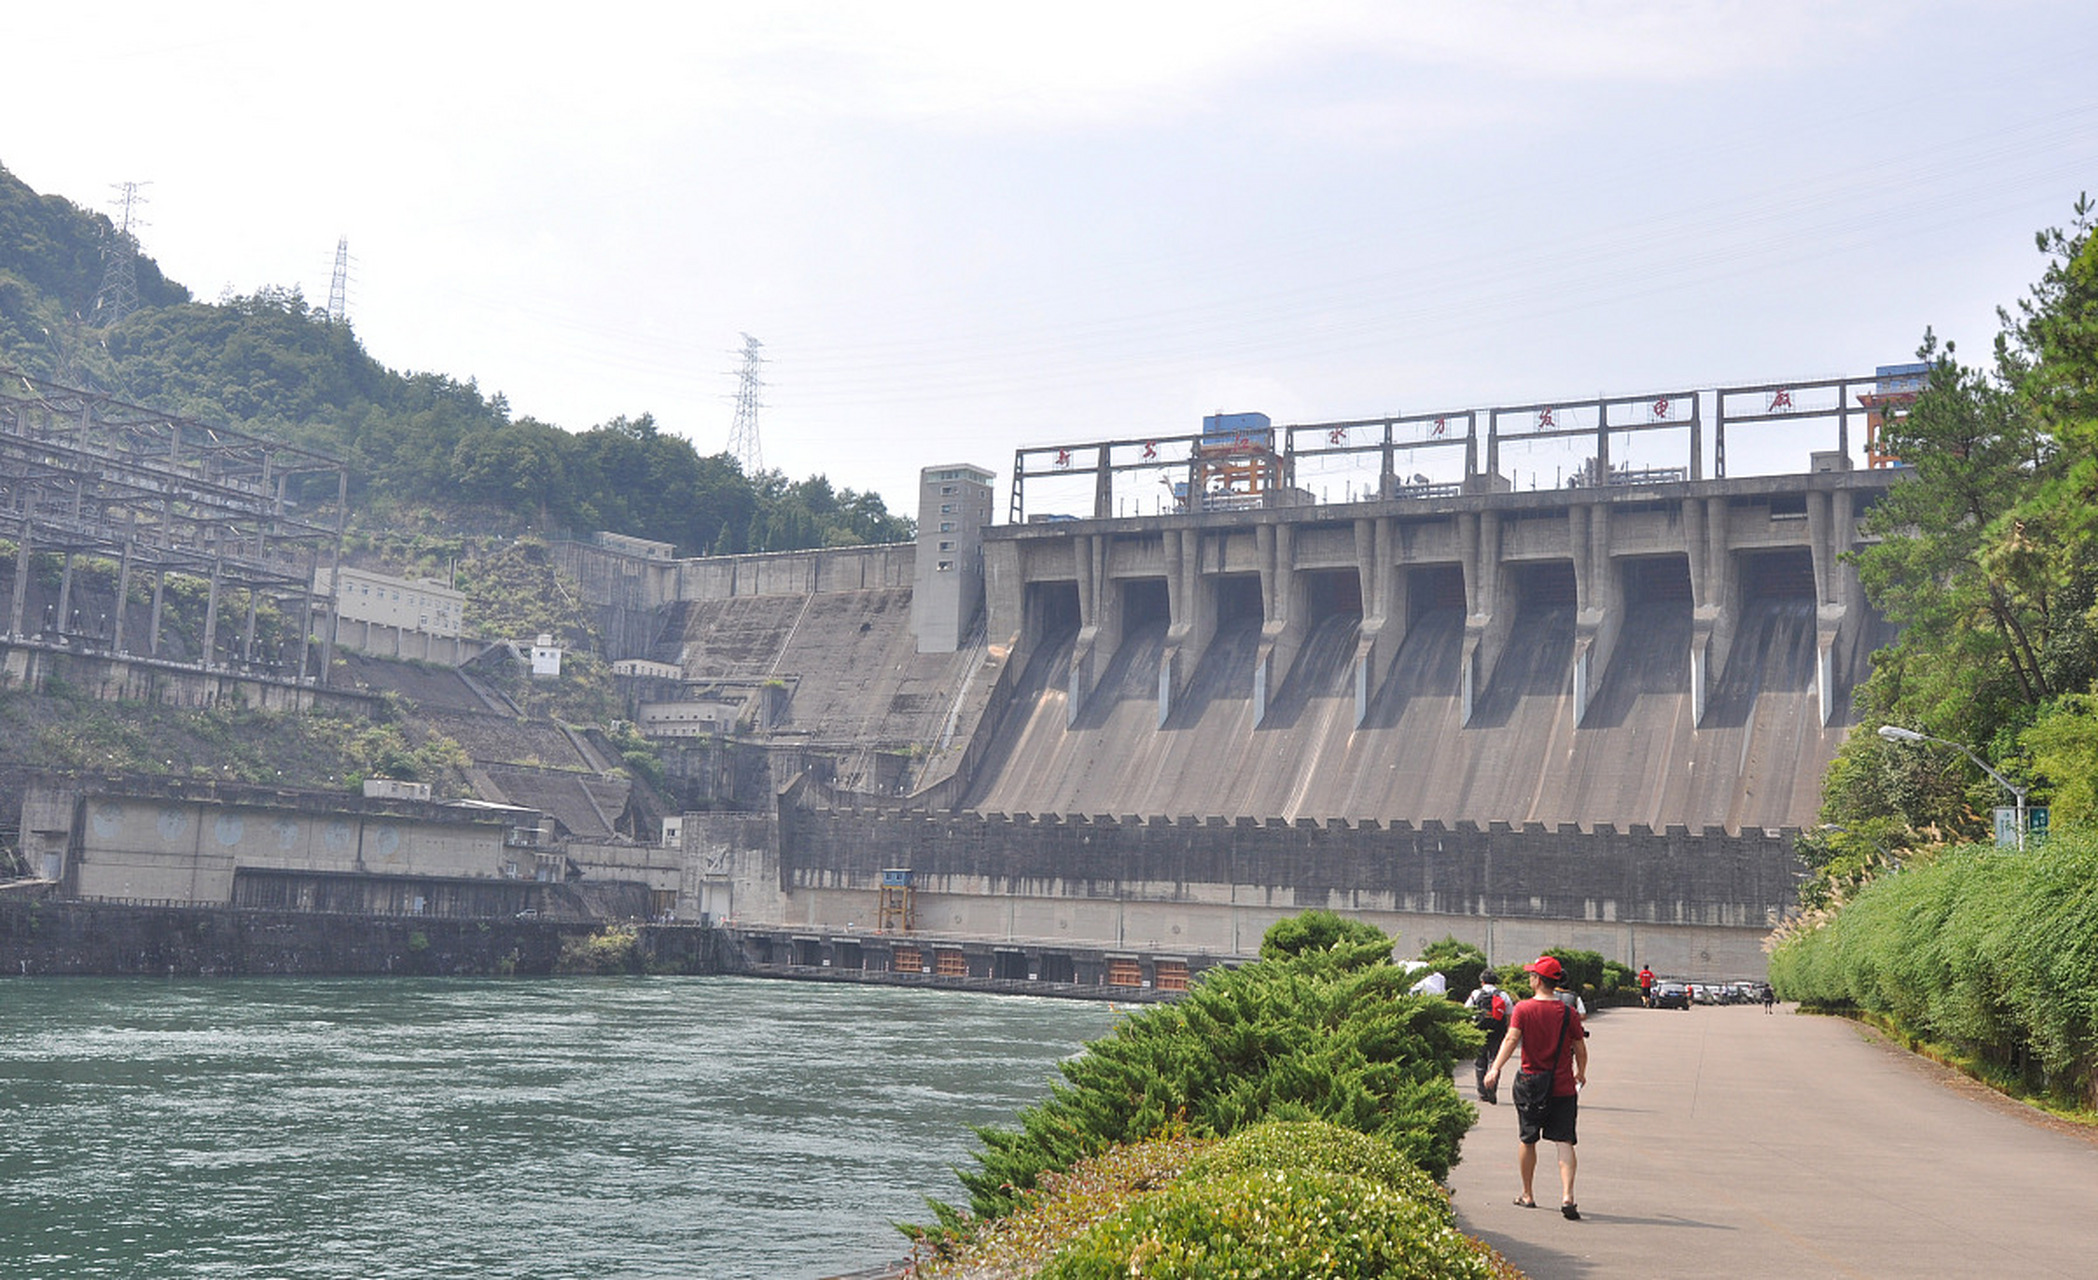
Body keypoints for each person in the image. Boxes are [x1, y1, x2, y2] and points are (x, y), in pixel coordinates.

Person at [1482, 955, 1589, 1220]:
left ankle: (1528, 1194)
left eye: (1532, 975)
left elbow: (1511, 1039)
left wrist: (1495, 1068)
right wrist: (1581, 1072)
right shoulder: (1569, 1012)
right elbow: (1580, 1047)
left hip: (1530, 1083)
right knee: (1564, 1141)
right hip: (1563, 1085)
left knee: (1528, 1138)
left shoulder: (1524, 1009)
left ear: (1537, 980)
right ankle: (1567, 1196)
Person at [1463, 969, 1514, 1101]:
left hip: (1479, 1031)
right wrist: (1508, 1030)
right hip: (1498, 1032)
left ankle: (1482, 1093)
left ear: (1482, 981)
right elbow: (1509, 1014)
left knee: (1480, 1062)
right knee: (1494, 1061)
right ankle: (1491, 1089)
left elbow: (1466, 1010)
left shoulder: (1476, 993)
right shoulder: (1503, 995)